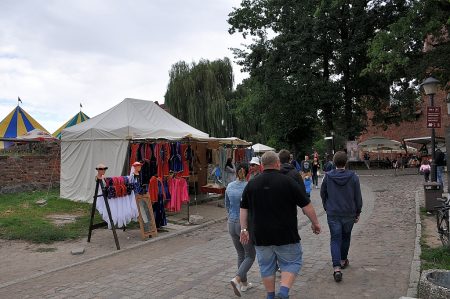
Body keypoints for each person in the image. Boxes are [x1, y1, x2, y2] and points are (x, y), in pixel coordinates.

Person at [240, 151, 321, 299]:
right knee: (292, 262)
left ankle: (270, 296)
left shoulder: (252, 184)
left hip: (261, 235)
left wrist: (244, 229)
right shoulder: (288, 182)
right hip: (286, 234)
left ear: (262, 166)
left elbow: (243, 208)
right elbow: (306, 205)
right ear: (278, 164)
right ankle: (283, 293)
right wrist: (315, 223)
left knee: (266, 267)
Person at [320, 151, 363, 283]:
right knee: (346, 237)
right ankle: (343, 260)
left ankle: (336, 268)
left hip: (333, 213)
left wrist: (327, 206)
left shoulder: (327, 177)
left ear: (334, 162)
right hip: (349, 213)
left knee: (335, 239)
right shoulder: (354, 177)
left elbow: (323, 194)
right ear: (346, 162)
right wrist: (358, 212)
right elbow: (358, 197)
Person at [226, 163, 256, 297]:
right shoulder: (249, 186)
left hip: (231, 223)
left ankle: (244, 284)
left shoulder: (230, 186)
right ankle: (237, 279)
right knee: (250, 255)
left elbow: (227, 205)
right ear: (248, 172)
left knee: (240, 254)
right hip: (243, 224)